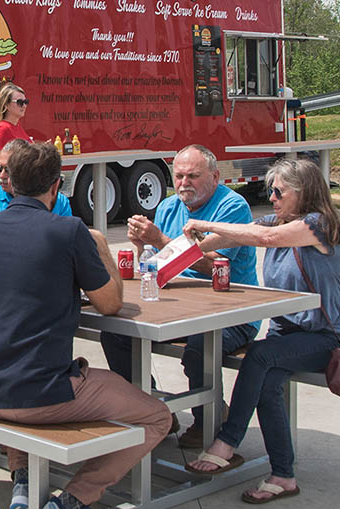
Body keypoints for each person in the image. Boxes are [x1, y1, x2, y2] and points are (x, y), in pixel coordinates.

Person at [0, 142, 173, 509]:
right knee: (157, 416)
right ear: (57, 187)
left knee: (18, 362)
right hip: (38, 394)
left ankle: (23, 481)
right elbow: (111, 303)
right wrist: (101, 247)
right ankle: (73, 504)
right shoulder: (69, 230)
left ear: (8, 182)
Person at [181, 158, 340, 504]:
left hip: (323, 338)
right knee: (268, 385)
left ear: (303, 193)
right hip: (285, 335)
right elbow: (224, 239)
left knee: (257, 357)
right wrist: (185, 250)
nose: (271, 198)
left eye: (278, 192)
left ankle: (226, 443)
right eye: (270, 191)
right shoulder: (279, 220)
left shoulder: (317, 225)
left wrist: (203, 222)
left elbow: (266, 237)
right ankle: (283, 476)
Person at [100, 145, 259, 450]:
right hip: (179, 309)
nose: (184, 182)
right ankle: (151, 410)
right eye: (180, 175)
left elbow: (216, 263)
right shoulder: (168, 206)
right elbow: (158, 263)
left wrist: (157, 238)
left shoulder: (232, 207)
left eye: (193, 176)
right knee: (116, 334)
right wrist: (141, 246)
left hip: (232, 311)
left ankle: (208, 420)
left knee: (200, 348)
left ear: (215, 177)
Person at [0, 83, 32, 186]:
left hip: (18, 186)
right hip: (6, 188)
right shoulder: (2, 129)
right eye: (19, 102)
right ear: (6, 105)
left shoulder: (17, 126)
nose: (24, 106)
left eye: (26, 102)